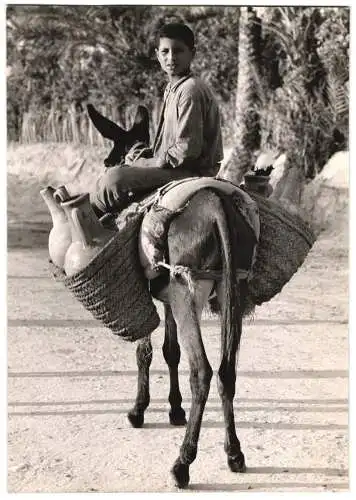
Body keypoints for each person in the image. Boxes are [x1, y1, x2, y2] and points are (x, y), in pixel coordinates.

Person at [90, 22, 224, 217]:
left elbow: (187, 150)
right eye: (165, 52)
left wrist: (147, 163)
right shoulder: (172, 88)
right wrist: (144, 156)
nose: (171, 58)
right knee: (122, 166)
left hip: (191, 170)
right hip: (176, 166)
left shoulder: (190, 90)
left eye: (178, 51)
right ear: (157, 55)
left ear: (192, 53)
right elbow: (167, 144)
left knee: (113, 180)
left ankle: (91, 231)